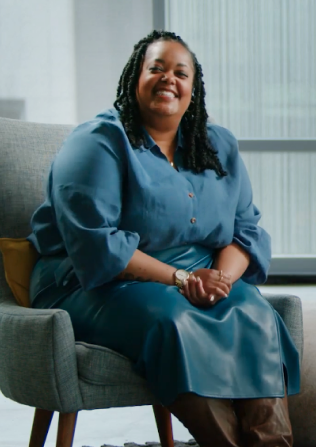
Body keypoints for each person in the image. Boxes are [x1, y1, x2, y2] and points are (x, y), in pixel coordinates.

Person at [27, 30, 298, 447]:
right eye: (156, 68)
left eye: (180, 73)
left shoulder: (217, 145)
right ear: (135, 77)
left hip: (199, 275)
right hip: (93, 282)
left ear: (193, 89)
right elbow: (97, 246)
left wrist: (219, 282)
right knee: (174, 319)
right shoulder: (96, 143)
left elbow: (246, 230)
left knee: (255, 314)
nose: (169, 78)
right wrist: (183, 280)